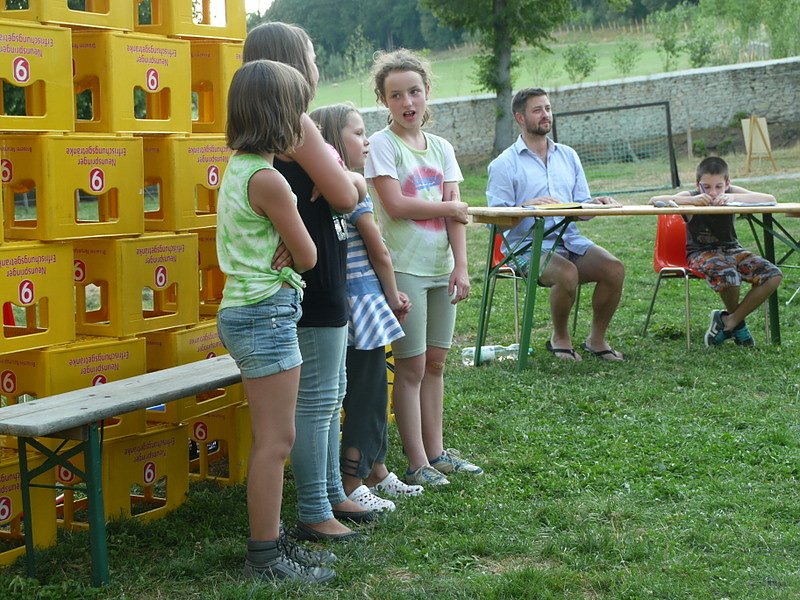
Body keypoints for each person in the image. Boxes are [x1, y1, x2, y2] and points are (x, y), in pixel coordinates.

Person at [243, 23, 369, 542]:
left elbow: (347, 186)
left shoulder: (273, 126)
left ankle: (330, 494)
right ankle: (316, 509)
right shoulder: (297, 125)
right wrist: (350, 181)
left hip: (317, 271)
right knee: (319, 399)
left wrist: (350, 181)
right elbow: (344, 196)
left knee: (329, 390)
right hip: (313, 280)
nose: (318, 66)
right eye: (313, 55)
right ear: (293, 63)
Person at [215, 59, 334, 584]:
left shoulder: (240, 168)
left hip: (249, 312)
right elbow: (308, 255)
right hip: (264, 315)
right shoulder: (270, 180)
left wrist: (285, 242)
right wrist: (292, 242)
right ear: (279, 117)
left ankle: (273, 542)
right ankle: (264, 557)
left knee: (274, 438)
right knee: (276, 442)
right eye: (297, 112)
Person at [364, 49, 483, 488]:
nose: (407, 101)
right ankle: (416, 464)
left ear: (427, 92)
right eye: (396, 95)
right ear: (384, 100)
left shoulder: (443, 148)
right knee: (410, 369)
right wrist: (450, 204)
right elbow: (394, 206)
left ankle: (437, 453)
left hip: (441, 268)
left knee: (436, 364)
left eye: (414, 91)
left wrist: (462, 267)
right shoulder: (381, 145)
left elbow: (457, 215)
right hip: (405, 270)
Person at [310, 102, 424, 505]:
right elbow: (379, 252)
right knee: (369, 395)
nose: (368, 139)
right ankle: (352, 482)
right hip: (365, 306)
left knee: (371, 388)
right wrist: (393, 296)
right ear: (332, 142)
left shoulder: (334, 187)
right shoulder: (350, 189)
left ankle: (377, 471)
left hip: (353, 305)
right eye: (358, 133)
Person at [486, 87, 626, 362]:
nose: (546, 115)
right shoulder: (503, 164)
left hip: (569, 240)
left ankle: (596, 340)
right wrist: (529, 206)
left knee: (614, 268)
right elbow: (496, 220)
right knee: (567, 273)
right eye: (537, 110)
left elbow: (581, 209)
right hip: (523, 249)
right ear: (520, 118)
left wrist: (594, 204)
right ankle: (559, 337)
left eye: (548, 108)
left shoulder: (568, 156)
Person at [649, 156, 782, 347]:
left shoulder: (731, 192)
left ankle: (731, 320)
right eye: (706, 187)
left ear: (727, 183)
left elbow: (770, 199)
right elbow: (655, 200)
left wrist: (733, 197)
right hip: (700, 253)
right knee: (728, 274)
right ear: (698, 184)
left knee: (772, 275)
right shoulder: (691, 196)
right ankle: (737, 326)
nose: (712, 192)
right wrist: (691, 200)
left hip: (733, 249)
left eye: (719, 187)